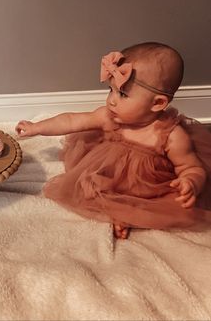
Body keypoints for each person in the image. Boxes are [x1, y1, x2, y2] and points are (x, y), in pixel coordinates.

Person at [16, 42, 211, 239]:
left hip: (148, 188)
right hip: (109, 175)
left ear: (158, 103)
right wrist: (37, 127)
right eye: (111, 90)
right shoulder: (108, 117)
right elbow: (72, 120)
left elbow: (191, 167)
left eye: (123, 94)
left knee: (169, 205)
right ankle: (117, 214)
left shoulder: (171, 136)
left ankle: (128, 217)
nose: (112, 100)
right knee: (89, 186)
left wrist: (190, 181)